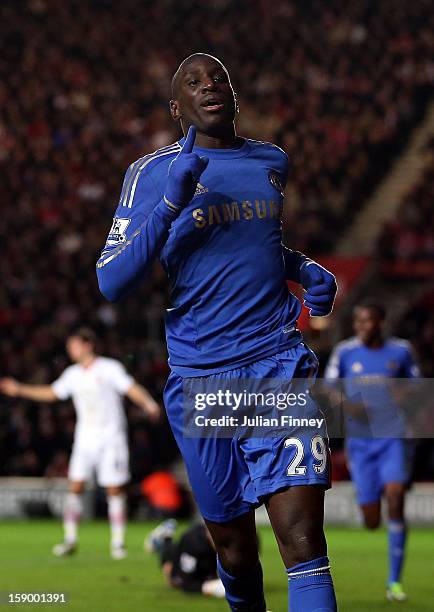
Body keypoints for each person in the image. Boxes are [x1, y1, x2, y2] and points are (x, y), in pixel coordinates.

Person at [97, 53, 338, 611]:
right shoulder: (151, 172)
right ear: (177, 107)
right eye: (195, 81)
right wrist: (172, 200)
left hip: (278, 363)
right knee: (233, 551)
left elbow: (257, 247)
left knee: (303, 542)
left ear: (233, 94)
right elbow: (112, 280)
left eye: (219, 78)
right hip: (201, 378)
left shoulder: (270, 160)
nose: (211, 86)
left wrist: (301, 269)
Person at [0, 327, 161, 560]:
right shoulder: (72, 374)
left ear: (88, 345)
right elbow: (52, 393)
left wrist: (148, 403)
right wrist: (19, 389)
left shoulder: (109, 368)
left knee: (114, 490)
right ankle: (70, 539)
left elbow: (130, 388)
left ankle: (117, 542)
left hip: (111, 438)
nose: (70, 349)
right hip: (85, 439)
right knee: (75, 487)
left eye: (74, 345)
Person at [324, 301, 420, 602]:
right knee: (371, 520)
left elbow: (417, 384)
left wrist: (403, 393)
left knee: (395, 495)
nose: (362, 327)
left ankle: (394, 583)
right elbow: (328, 386)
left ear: (381, 321)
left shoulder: (401, 351)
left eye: (367, 321)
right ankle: (371, 502)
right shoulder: (345, 351)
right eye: (358, 322)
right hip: (360, 443)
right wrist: (347, 405)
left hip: (392, 436)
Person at [146, 519, 226, 599]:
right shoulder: (194, 543)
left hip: (203, 554)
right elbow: (186, 583)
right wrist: (209, 587)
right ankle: (167, 537)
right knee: (174, 581)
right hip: (183, 554)